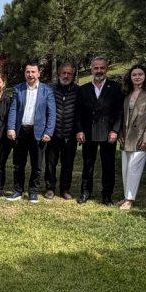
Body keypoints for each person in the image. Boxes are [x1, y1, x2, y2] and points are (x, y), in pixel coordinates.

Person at [76, 56, 123, 205]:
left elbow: (120, 111)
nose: (99, 71)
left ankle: (107, 195)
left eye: (102, 68)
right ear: (91, 70)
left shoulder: (115, 87)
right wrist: (79, 130)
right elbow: (78, 112)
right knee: (88, 164)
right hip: (88, 133)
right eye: (96, 68)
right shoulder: (83, 89)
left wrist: (115, 130)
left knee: (108, 166)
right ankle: (85, 192)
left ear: (106, 69)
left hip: (108, 133)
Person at [7, 62, 56, 203]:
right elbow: (13, 109)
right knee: (18, 164)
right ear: (25, 73)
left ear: (38, 73)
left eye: (33, 72)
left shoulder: (47, 90)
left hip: (38, 132)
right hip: (21, 131)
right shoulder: (18, 89)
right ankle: (18, 191)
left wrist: (49, 132)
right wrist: (11, 128)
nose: (30, 74)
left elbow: (51, 113)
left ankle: (33, 192)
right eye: (28, 72)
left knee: (37, 165)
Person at [118, 65, 146, 210]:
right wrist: (120, 134)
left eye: (140, 74)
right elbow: (123, 116)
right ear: (130, 77)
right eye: (134, 75)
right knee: (126, 168)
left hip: (141, 136)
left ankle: (130, 199)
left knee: (134, 168)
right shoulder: (127, 93)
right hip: (127, 136)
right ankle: (126, 196)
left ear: (145, 76)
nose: (137, 77)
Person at [44, 62, 79, 200]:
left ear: (73, 75)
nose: (66, 76)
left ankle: (65, 189)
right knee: (50, 163)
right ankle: (50, 188)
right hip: (53, 133)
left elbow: (80, 113)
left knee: (68, 164)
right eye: (64, 73)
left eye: (69, 73)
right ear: (59, 74)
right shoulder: (50, 89)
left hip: (70, 134)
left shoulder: (78, 90)